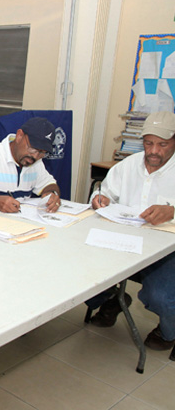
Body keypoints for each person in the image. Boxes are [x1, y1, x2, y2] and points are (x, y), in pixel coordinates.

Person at [88, 111, 175, 350]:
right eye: (148, 143)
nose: (154, 151)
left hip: (166, 250)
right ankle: (112, 299)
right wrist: (100, 199)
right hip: (123, 240)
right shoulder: (127, 166)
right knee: (82, 272)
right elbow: (103, 193)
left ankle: (169, 333)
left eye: (162, 144)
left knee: (161, 297)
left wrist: (173, 211)